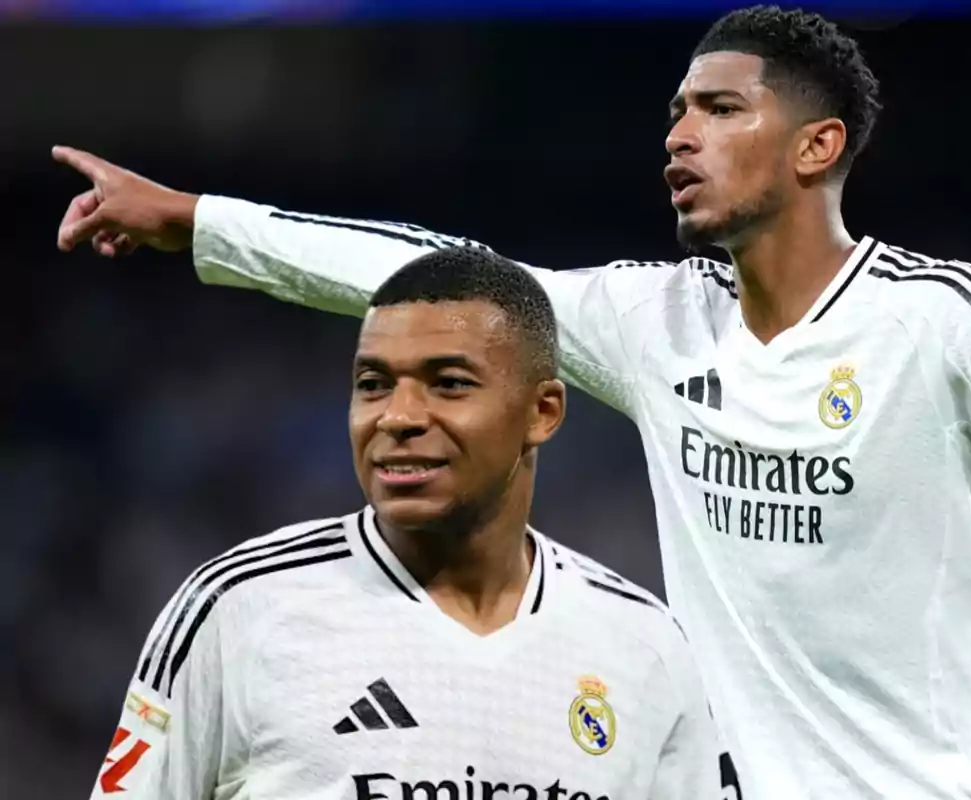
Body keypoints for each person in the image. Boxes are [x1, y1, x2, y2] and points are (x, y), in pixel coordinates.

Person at [54, 5, 971, 799]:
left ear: (817, 144)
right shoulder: (654, 323)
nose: (678, 135)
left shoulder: (946, 318)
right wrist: (202, 223)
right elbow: (446, 269)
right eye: (673, 114)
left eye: (717, 109)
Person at [85, 246, 724, 800]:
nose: (398, 416)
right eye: (373, 384)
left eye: (447, 383)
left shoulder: (643, 645)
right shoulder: (240, 610)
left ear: (543, 412)